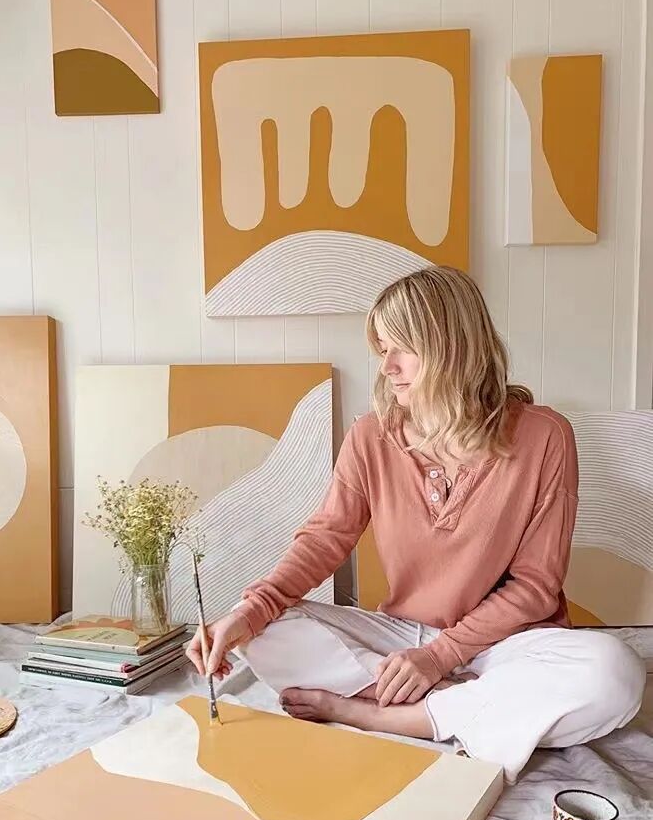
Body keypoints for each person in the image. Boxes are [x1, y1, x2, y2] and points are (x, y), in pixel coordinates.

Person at [186, 266, 646, 783]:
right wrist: (250, 612)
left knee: (615, 674)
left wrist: (439, 657)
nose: (387, 367)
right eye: (382, 350)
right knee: (261, 630)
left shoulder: (545, 436)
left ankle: (382, 715)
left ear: (453, 346)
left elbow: (536, 586)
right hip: (402, 633)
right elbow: (326, 538)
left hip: (508, 644)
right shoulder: (370, 436)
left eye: (402, 348)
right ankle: (461, 707)